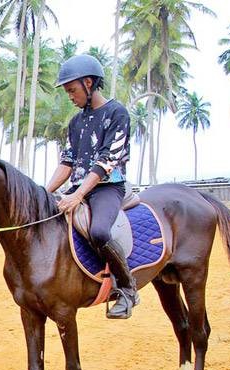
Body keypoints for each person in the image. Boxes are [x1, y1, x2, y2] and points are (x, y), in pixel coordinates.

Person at [45, 54, 139, 319]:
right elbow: (68, 161)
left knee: (98, 231)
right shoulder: (76, 122)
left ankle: (127, 289)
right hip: (78, 187)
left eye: (72, 90)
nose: (70, 97)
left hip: (107, 187)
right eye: (67, 92)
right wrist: (45, 191)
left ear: (88, 83)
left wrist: (78, 195)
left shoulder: (116, 113)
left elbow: (106, 162)